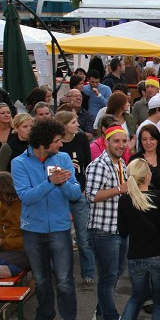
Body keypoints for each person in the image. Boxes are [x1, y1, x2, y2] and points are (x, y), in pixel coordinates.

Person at [12, 119, 83, 320]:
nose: (61, 145)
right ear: (43, 144)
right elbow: (26, 197)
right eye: (56, 141)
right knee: (41, 280)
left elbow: (75, 194)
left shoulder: (62, 159)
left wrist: (63, 185)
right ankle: (45, 318)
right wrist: (51, 182)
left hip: (60, 228)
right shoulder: (19, 163)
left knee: (64, 280)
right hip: (33, 229)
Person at [113, 159, 160, 320]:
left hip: (136, 256)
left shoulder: (125, 200)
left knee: (136, 296)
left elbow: (122, 231)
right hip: (159, 255)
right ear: (148, 175)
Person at [85, 124, 131, 320]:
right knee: (108, 276)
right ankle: (111, 319)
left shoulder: (121, 163)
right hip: (104, 230)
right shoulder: (99, 165)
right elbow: (92, 195)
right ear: (106, 141)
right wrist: (119, 189)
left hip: (120, 228)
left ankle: (101, 310)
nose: (121, 145)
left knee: (116, 273)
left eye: (124, 141)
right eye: (116, 141)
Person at [56, 110, 95, 291]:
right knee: (61, 237)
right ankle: (63, 274)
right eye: (73, 122)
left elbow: (87, 163)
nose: (77, 124)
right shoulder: (54, 143)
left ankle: (88, 274)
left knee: (83, 236)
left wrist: (86, 186)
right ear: (64, 125)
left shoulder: (80, 139)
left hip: (79, 191)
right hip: (59, 193)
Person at [135, 124, 160, 194]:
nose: (148, 142)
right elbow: (134, 182)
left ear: (158, 140)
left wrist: (147, 180)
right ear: (140, 141)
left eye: (152, 139)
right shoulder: (135, 160)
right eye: (144, 139)